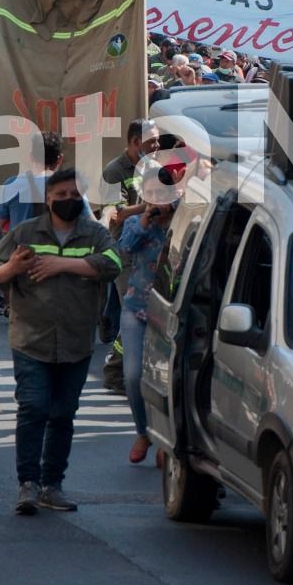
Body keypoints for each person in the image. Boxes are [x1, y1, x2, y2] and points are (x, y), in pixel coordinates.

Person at [0, 169, 121, 515]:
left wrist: (61, 264)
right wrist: (13, 267)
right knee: (33, 408)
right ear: (47, 198)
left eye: (75, 194)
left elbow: (112, 264)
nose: (68, 200)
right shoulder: (26, 232)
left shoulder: (94, 233)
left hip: (76, 342)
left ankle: (52, 485)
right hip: (30, 339)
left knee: (63, 414)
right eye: (61, 194)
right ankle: (27, 484)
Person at [101, 120, 161, 395]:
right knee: (133, 313)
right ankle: (115, 371)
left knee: (145, 314)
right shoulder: (113, 172)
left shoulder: (155, 168)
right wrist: (150, 207)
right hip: (123, 251)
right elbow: (116, 212)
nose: (158, 146)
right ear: (135, 142)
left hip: (149, 250)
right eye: (152, 141)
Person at [117, 195, 175, 464]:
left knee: (167, 381)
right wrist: (146, 217)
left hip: (169, 314)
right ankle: (143, 432)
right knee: (133, 375)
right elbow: (124, 249)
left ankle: (165, 438)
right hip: (136, 308)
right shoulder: (135, 223)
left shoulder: (184, 222)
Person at [0, 131, 63, 231]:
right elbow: (90, 223)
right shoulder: (69, 187)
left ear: (31, 156)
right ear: (59, 159)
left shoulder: (11, 184)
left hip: (20, 245)